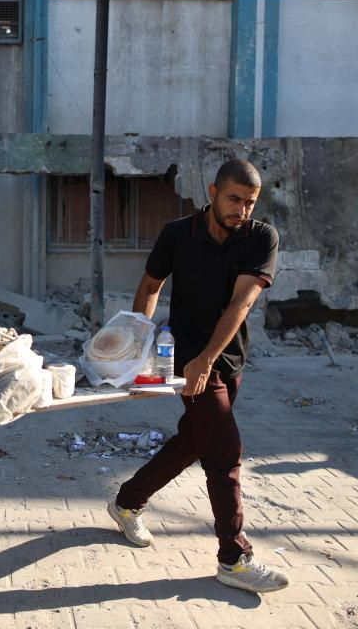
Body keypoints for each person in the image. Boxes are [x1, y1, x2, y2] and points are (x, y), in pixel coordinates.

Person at [105, 159, 289, 594]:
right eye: (233, 199)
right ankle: (234, 557)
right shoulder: (177, 234)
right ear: (211, 191)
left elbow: (240, 305)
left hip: (226, 357)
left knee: (194, 440)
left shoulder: (262, 237)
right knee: (224, 450)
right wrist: (136, 340)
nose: (241, 210)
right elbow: (151, 287)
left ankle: (127, 503)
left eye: (249, 202)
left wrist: (211, 359)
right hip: (185, 359)